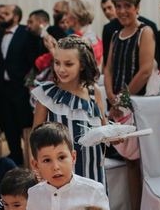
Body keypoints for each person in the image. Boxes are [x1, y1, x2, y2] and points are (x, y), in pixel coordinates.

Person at [104, 0, 156, 210]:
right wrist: (111, 96)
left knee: (143, 163)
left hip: (138, 107)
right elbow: (108, 68)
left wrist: (122, 99)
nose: (122, 11)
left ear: (137, 7)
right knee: (130, 164)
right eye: (119, 6)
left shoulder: (144, 32)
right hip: (120, 106)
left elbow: (146, 69)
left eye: (128, 6)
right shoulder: (115, 35)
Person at [32, 36, 106, 184]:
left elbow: (104, 129)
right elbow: (34, 138)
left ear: (82, 65)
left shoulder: (94, 91)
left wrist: (116, 136)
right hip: (59, 175)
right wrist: (36, 170)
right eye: (57, 63)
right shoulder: (46, 95)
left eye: (69, 64)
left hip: (93, 171)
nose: (61, 69)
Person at [0, 4, 36, 166]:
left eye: (5, 14)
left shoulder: (26, 33)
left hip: (21, 88)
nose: (1, 16)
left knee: (26, 124)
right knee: (8, 124)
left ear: (16, 17)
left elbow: (33, 61)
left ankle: (30, 158)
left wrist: (30, 84)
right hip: (2, 89)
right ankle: (15, 156)